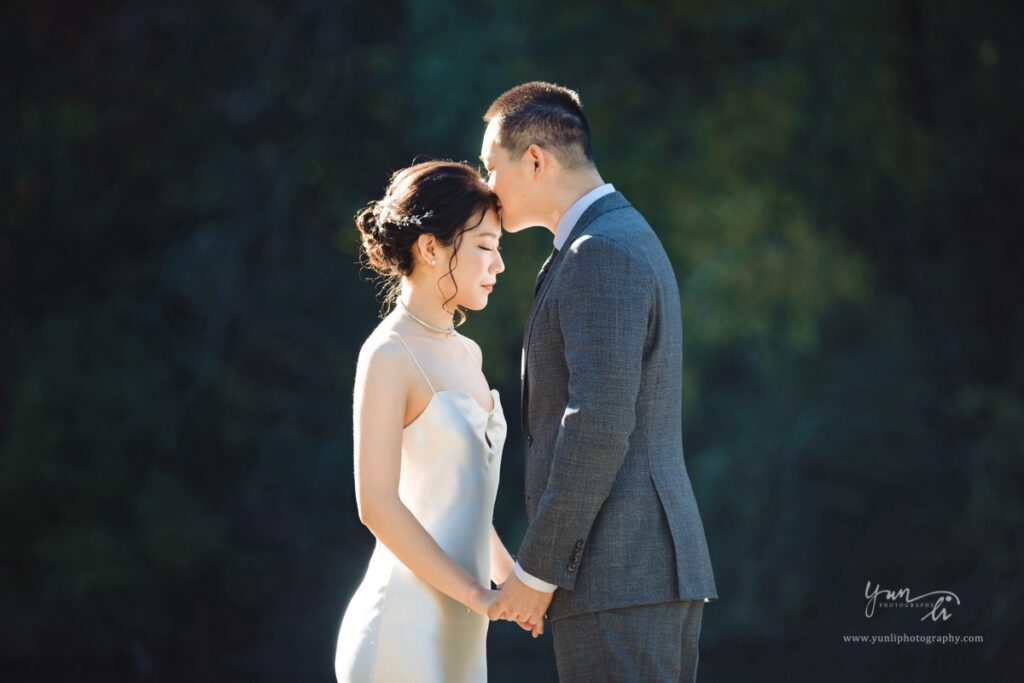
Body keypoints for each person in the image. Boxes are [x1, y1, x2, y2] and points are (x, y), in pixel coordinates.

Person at [480, 82, 719, 682]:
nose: (486, 185)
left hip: (621, 574)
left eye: (491, 166)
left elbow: (598, 424)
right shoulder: (613, 236)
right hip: (640, 574)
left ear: (534, 159)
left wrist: (536, 573)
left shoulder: (599, 251)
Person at [334, 160, 513, 682]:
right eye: (484, 246)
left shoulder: (470, 355)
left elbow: (463, 500)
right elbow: (377, 506)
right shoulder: (388, 353)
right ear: (431, 248)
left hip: (464, 627)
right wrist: (477, 594)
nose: (498, 264)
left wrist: (516, 583)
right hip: (402, 628)